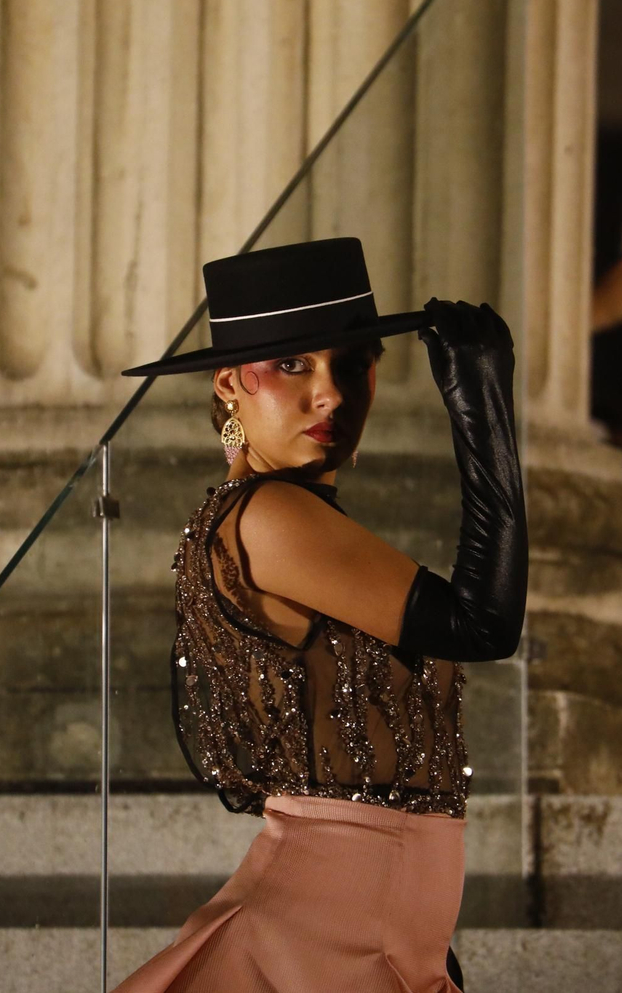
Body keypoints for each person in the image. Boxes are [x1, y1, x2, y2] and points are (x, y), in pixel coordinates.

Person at [111, 237, 527, 992]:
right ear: (230, 382)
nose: (332, 393)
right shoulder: (267, 515)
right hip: (312, 941)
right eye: (296, 365)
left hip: (374, 942)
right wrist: (483, 405)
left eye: (353, 361)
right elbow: (483, 624)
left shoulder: (269, 517)